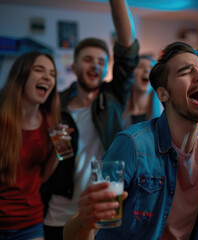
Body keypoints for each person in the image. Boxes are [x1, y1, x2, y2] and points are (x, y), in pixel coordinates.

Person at [63, 41, 198, 240]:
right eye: (185, 72)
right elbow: (78, 230)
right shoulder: (132, 144)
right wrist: (85, 221)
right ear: (163, 93)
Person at [41, 0, 139, 239]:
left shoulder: (112, 96)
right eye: (88, 60)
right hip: (59, 214)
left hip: (105, 213)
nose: (95, 65)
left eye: (101, 61)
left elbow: (127, 50)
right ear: (74, 66)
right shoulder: (55, 104)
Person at [0, 51, 60, 240]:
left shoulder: (50, 123)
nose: (47, 77)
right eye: (39, 70)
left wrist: (59, 151)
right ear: (22, 75)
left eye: (52, 74)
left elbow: (43, 176)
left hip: (30, 222)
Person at [121, 55, 163, 129]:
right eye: (140, 67)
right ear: (131, 75)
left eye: (151, 68)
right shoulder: (120, 116)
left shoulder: (164, 115)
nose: (147, 70)